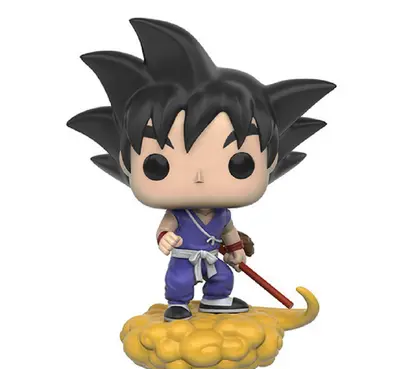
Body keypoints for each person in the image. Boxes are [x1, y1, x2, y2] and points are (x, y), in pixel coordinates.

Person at [67, 18, 335, 321]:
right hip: (184, 258)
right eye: (157, 165)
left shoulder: (223, 215)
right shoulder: (178, 214)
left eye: (239, 164)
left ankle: (216, 300)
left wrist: (236, 250)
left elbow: (229, 233)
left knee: (222, 276)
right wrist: (164, 239)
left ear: (270, 161)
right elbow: (164, 229)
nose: (199, 177)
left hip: (210, 257)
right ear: (126, 162)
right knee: (179, 281)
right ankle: (179, 304)